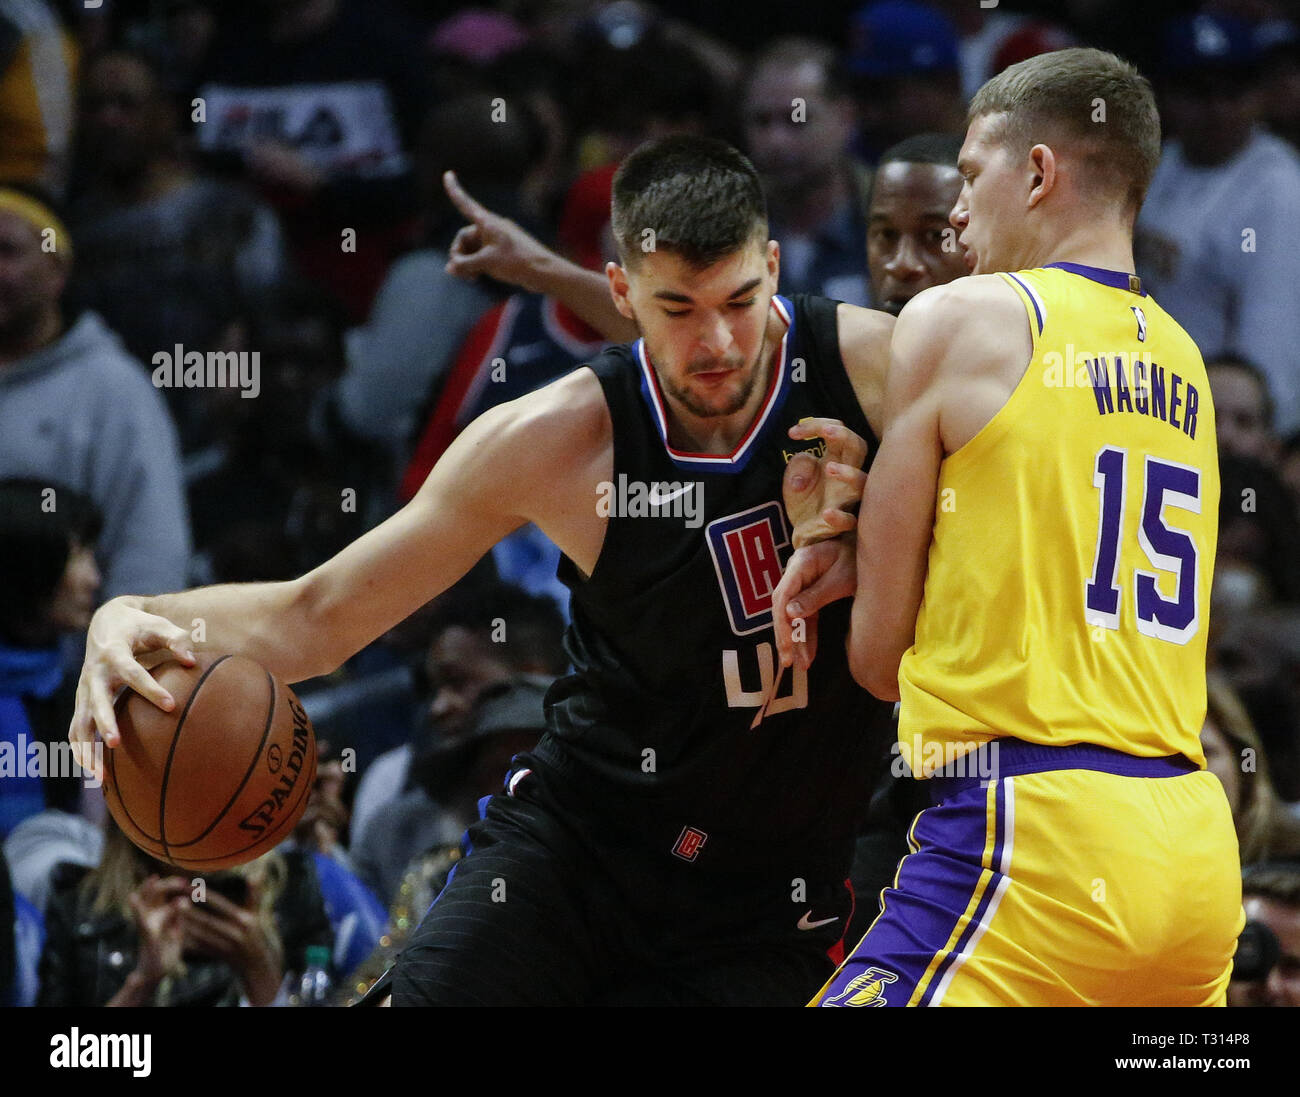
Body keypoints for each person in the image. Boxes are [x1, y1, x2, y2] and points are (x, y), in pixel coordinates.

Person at [69, 134, 899, 1006]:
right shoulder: (554, 438)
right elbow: (318, 615)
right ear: (620, 294)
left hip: (774, 893)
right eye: (677, 309)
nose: (718, 341)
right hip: (580, 846)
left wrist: (876, 544)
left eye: (739, 299)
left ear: (774, 267)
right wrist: (133, 610)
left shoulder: (875, 372)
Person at [776, 47, 1242, 1005]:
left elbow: (876, 658)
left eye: (972, 176)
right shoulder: (1187, 364)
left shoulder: (963, 316)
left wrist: (838, 539)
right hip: (1193, 851)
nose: (955, 214)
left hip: (1034, 837)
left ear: (1037, 174)